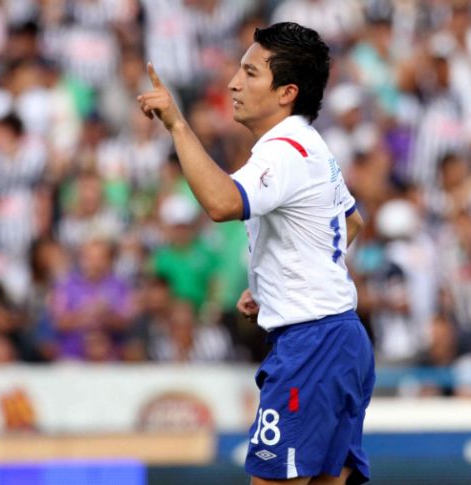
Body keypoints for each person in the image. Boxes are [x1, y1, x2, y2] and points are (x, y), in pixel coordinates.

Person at [138, 21, 374, 485]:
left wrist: (177, 125)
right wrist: (274, 282)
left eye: (249, 73)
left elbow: (223, 203)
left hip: (310, 345)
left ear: (286, 92)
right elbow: (351, 222)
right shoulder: (311, 145)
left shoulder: (284, 150)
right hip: (342, 339)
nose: (233, 83)